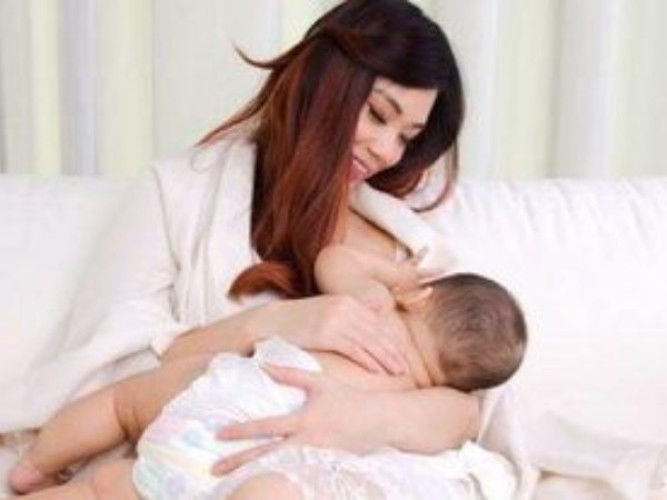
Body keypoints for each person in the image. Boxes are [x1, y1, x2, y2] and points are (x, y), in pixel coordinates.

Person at [3, 0, 531, 496]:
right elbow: (114, 367)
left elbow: (472, 414)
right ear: (325, 83)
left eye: (407, 137)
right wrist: (274, 325)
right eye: (377, 114)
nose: (387, 150)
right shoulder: (176, 195)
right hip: (192, 454)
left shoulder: (409, 245)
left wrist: (365, 418)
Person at [8, 243, 526, 499]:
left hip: (226, 396)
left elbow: (333, 257)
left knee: (122, 408)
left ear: (421, 297)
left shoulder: (377, 305)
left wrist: (393, 275)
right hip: (246, 464)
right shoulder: (413, 393)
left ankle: (36, 467)